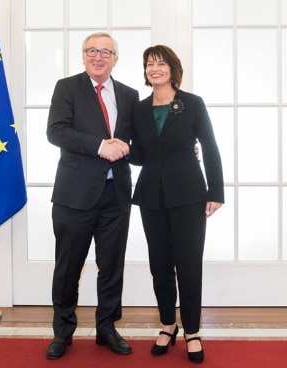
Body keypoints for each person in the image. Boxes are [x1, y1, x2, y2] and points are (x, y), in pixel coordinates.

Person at [45, 32, 139, 360]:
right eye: (92, 51)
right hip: (74, 196)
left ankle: (107, 328)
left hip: (116, 195)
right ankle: (63, 332)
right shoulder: (66, 87)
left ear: (115, 59)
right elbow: (56, 131)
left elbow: (136, 143)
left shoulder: (129, 95)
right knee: (68, 268)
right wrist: (101, 146)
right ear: (83, 56)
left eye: (106, 52)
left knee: (111, 266)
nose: (98, 57)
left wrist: (132, 146)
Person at [129, 45, 224, 364]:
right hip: (150, 196)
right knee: (159, 264)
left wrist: (216, 191)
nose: (154, 68)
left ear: (172, 68)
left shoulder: (192, 103)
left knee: (188, 263)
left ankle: (193, 331)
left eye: (161, 63)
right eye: (149, 64)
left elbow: (210, 147)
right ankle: (168, 325)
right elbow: (140, 155)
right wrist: (122, 147)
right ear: (144, 71)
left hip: (189, 194)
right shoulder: (139, 110)